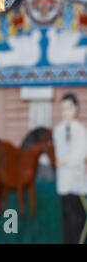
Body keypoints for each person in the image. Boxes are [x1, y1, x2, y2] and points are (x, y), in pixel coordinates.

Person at [52, 93, 87, 244]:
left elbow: (81, 153)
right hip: (64, 182)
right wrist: (60, 161)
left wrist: (66, 161)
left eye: (69, 108)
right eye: (63, 109)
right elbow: (57, 153)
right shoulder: (58, 131)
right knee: (66, 218)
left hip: (77, 182)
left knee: (78, 218)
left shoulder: (80, 130)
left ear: (76, 109)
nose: (66, 112)